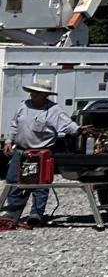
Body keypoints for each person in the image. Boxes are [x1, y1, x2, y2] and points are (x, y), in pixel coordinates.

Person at [3, 78, 76, 228]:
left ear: (44, 95)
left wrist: (78, 130)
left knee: (40, 184)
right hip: (21, 149)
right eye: (32, 92)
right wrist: (9, 141)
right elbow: (14, 124)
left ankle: (36, 214)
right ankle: (12, 213)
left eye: (37, 93)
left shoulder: (54, 110)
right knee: (13, 180)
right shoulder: (23, 106)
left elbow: (68, 125)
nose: (33, 95)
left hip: (41, 151)